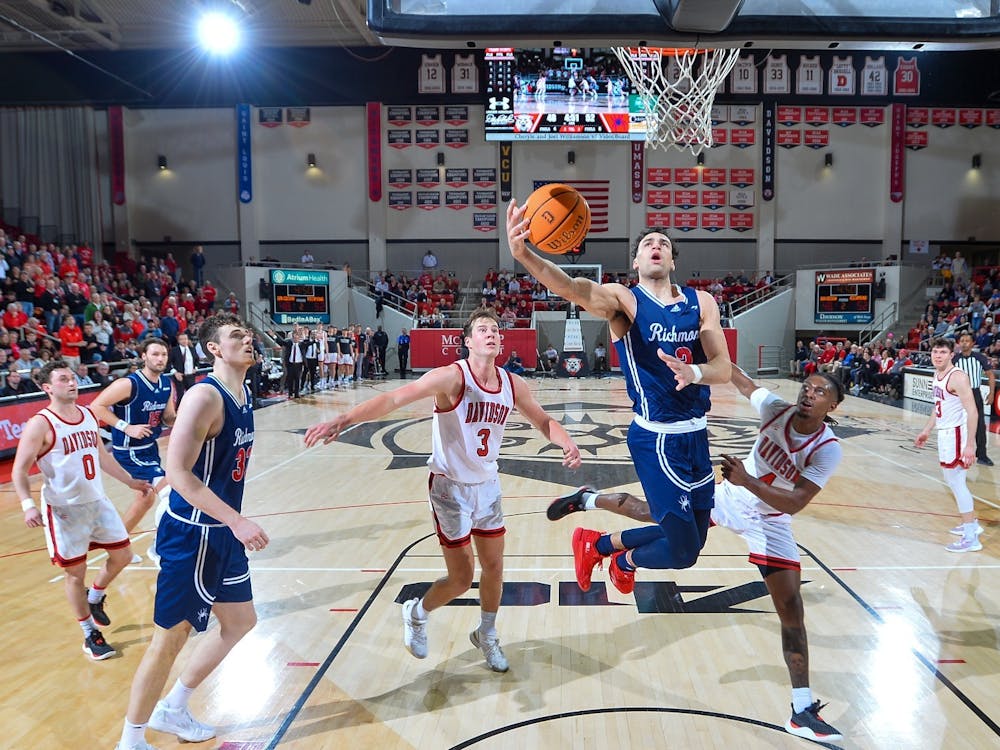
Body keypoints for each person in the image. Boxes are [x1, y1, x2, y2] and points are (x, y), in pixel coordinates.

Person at [547, 367, 846, 744]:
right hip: (729, 499)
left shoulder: (827, 448)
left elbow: (797, 502)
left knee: (791, 610)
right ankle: (589, 501)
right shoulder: (775, 408)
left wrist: (748, 480)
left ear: (832, 404)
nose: (809, 393)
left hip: (769, 522)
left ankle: (801, 710)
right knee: (652, 513)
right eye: (807, 386)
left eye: (820, 392)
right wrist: (700, 359)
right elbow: (738, 378)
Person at [304, 307, 581, 672]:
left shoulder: (513, 384)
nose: (491, 333)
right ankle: (417, 612)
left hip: (487, 485)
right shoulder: (452, 378)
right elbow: (394, 399)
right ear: (467, 342)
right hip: (449, 488)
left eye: (496, 329)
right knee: (462, 578)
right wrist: (345, 418)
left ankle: (487, 633)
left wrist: (565, 441)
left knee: (495, 567)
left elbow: (542, 419)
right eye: (483, 329)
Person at [507, 207, 731, 592]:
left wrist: (693, 372)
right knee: (681, 552)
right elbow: (571, 287)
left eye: (663, 243)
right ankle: (620, 558)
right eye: (648, 244)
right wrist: (524, 254)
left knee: (694, 541)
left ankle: (598, 543)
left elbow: (723, 368)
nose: (656, 247)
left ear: (672, 259)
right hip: (657, 437)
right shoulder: (624, 301)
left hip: (697, 435)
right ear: (637, 260)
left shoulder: (702, 302)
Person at [114, 313, 265, 750]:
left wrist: (231, 523)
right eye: (236, 336)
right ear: (214, 349)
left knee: (240, 622)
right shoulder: (205, 396)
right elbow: (178, 472)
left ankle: (173, 708)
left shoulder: (244, 391)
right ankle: (132, 739)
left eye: (247, 333)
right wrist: (236, 519)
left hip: (221, 533)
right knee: (170, 639)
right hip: (194, 534)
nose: (247, 339)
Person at [13, 361, 151, 661]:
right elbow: (19, 470)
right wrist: (27, 505)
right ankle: (90, 634)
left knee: (124, 555)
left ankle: (96, 596)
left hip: (97, 502)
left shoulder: (88, 414)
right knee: (75, 573)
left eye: (72, 378)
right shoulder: (41, 423)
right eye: (63, 379)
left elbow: (102, 457)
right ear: (47, 388)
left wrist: (130, 482)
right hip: (65, 510)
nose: (72, 383)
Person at [90, 338, 176, 547]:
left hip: (150, 448)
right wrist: (125, 427)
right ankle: (161, 547)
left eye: (163, 355)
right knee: (171, 494)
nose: (160, 358)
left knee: (145, 498)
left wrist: (191, 421)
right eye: (155, 354)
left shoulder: (166, 383)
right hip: (129, 451)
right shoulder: (128, 384)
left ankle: (116, 545)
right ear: (144, 356)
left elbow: (169, 417)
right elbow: (95, 407)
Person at [915, 337, 983, 552]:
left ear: (951, 354)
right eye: (935, 351)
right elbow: (938, 406)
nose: (937, 355)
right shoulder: (937, 374)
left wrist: (970, 444)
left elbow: (973, 411)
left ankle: (971, 536)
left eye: (942, 352)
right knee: (954, 481)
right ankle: (970, 523)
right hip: (946, 433)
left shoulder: (958, 377)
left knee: (956, 482)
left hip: (956, 434)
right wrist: (927, 430)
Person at [953, 331, 994, 466]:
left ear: (972, 343)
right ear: (959, 343)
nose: (964, 343)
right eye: (962, 340)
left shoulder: (979, 357)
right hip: (959, 395)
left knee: (979, 425)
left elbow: (990, 375)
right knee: (957, 424)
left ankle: (982, 455)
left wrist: (991, 392)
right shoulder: (954, 359)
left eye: (967, 340)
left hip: (974, 393)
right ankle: (956, 454)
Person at [168, 331, 199, 403]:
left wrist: (196, 368)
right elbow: (168, 363)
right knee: (181, 396)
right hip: (179, 377)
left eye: (185, 339)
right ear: (178, 341)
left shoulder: (192, 349)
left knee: (192, 396)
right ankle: (178, 412)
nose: (184, 341)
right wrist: (175, 372)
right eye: (182, 339)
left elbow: (197, 360)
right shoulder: (174, 351)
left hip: (190, 376)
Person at [283, 330, 305, 399]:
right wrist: (274, 336)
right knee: (290, 379)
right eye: (294, 337)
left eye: (297, 337)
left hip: (298, 364)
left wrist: (315, 339)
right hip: (290, 364)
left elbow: (310, 343)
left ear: (299, 337)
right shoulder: (289, 343)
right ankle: (290, 393)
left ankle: (296, 393)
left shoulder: (302, 344)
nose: (295, 338)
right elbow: (281, 342)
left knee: (297, 379)